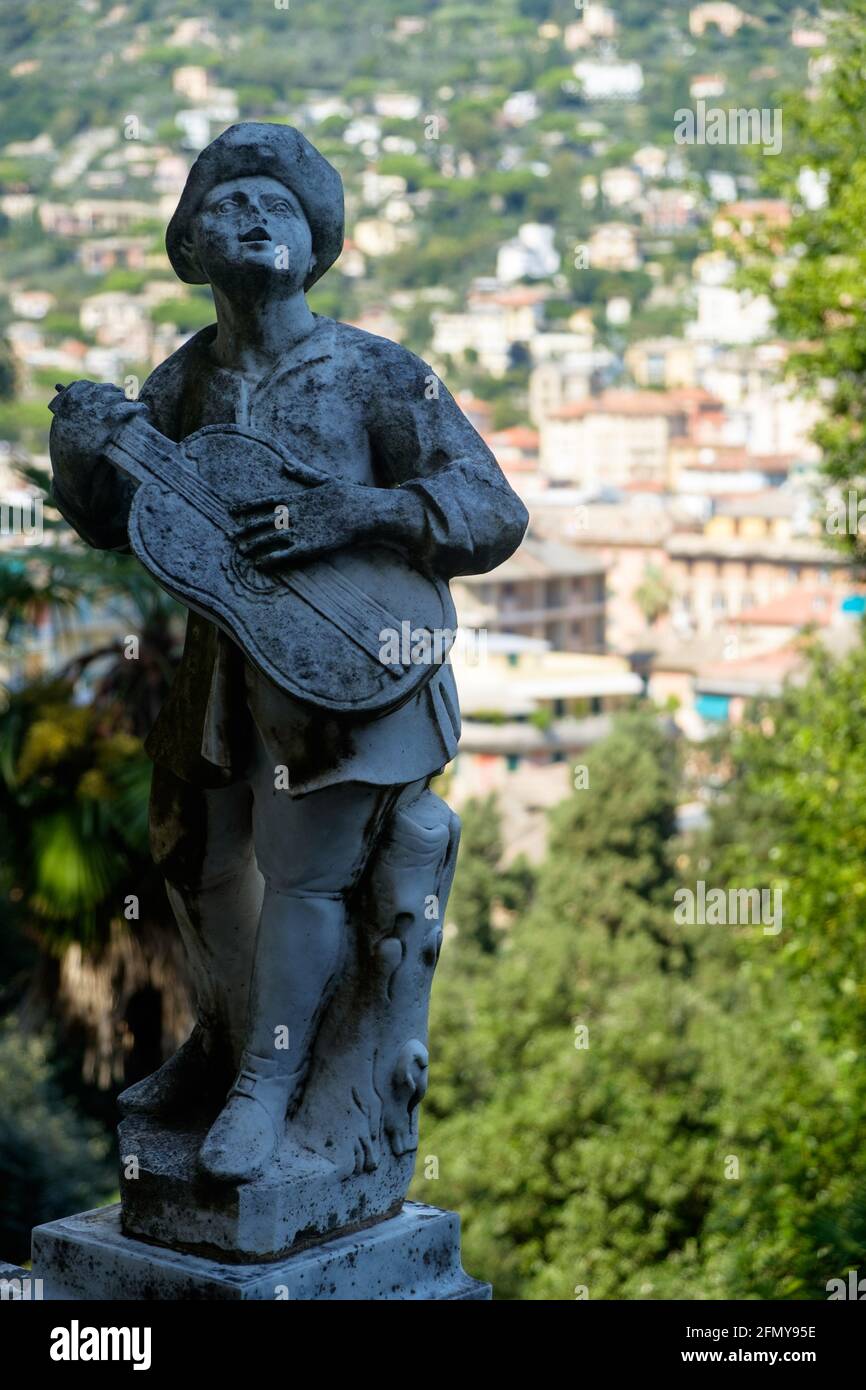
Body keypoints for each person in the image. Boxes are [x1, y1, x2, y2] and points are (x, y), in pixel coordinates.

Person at [49, 122, 528, 1183]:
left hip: (345, 669)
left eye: (280, 203)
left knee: (308, 878)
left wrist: (358, 511)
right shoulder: (179, 382)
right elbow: (117, 519)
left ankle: (268, 1086)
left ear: (317, 243)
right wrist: (77, 458)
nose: (255, 216)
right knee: (192, 856)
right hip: (221, 672)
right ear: (189, 246)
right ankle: (222, 1039)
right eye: (227, 203)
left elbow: (493, 510)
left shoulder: (376, 372)